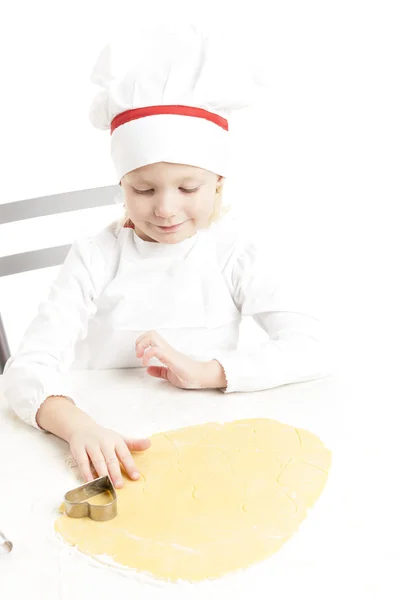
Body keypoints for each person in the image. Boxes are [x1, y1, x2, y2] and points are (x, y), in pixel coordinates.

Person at [1, 27, 331, 489]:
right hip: (107, 439)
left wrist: (208, 373)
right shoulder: (97, 255)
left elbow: (313, 346)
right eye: (144, 189)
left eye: (188, 187)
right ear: (121, 187)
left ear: (218, 182)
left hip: (210, 447)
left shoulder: (234, 251)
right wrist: (76, 424)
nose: (165, 207)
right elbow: (26, 369)